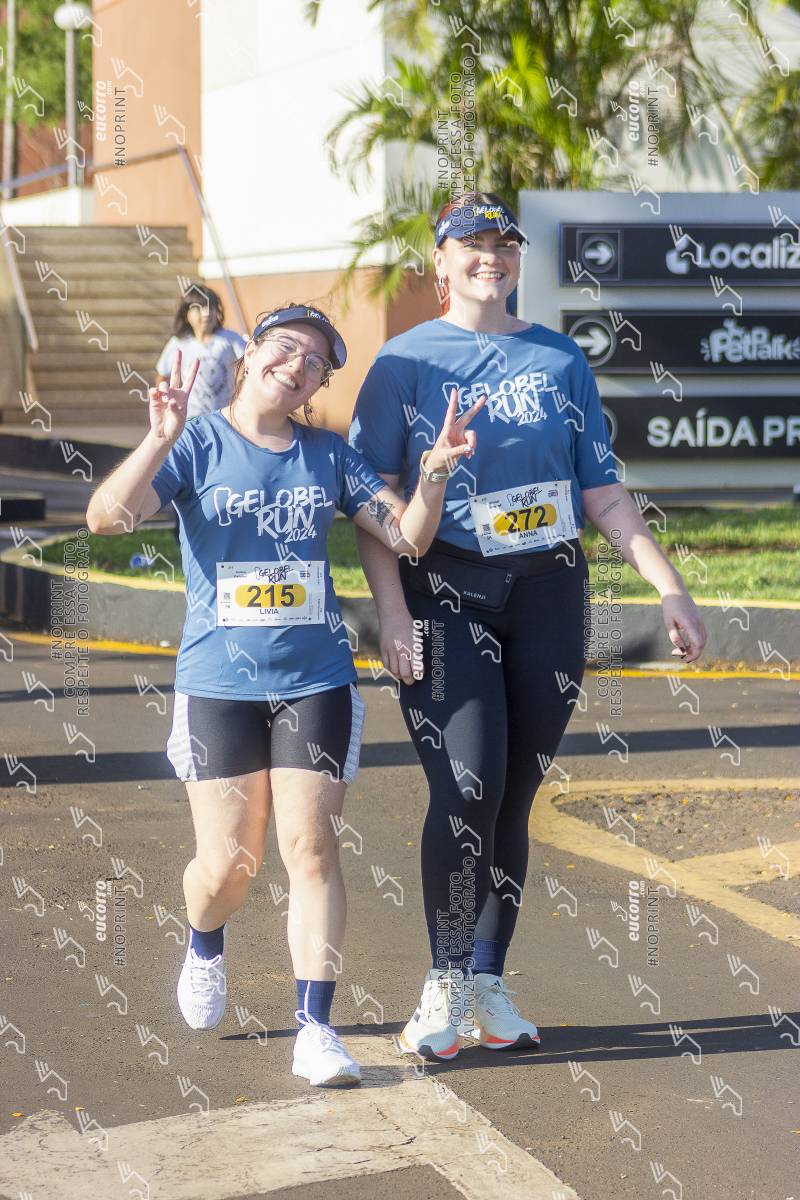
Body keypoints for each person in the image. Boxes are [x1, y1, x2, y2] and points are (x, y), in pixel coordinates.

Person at [349, 192, 708, 1061]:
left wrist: (668, 586)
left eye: (505, 243)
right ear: (440, 261)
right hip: (446, 593)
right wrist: (392, 612)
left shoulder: (558, 358)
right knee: (466, 785)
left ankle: (487, 979)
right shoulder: (403, 363)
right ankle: (442, 980)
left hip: (549, 593)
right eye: (472, 244)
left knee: (514, 795)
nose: (492, 256)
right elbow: (370, 506)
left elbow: (601, 492)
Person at [86, 302, 483, 1087]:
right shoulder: (197, 443)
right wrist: (159, 438)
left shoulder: (328, 456)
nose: (298, 365)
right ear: (249, 354)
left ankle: (315, 1027)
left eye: (316, 362)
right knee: (227, 867)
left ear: (319, 385)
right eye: (286, 347)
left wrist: (435, 469)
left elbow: (407, 536)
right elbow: (107, 518)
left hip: (315, 679)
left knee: (312, 848)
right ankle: (205, 940)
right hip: (218, 683)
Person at [155, 283, 246, 421]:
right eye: (198, 308)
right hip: (191, 418)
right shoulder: (179, 343)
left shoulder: (230, 339)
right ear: (185, 315)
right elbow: (163, 376)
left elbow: (250, 365)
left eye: (211, 307)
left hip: (224, 416)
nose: (206, 313)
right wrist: (164, 402)